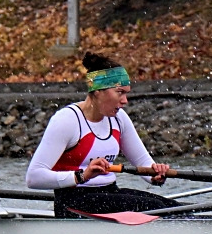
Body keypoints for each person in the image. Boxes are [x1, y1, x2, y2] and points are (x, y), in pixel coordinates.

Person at [25, 52, 176, 218]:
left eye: (126, 93)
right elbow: (34, 177)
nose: (125, 100)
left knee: (173, 207)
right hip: (73, 201)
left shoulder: (119, 118)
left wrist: (156, 175)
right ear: (98, 91)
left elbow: (142, 162)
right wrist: (83, 175)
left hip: (109, 194)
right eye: (120, 92)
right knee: (154, 207)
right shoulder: (67, 120)